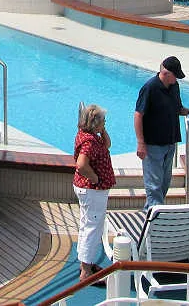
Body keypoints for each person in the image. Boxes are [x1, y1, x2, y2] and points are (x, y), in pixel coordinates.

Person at [134, 56, 189, 210]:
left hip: (170, 143)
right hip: (153, 145)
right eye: (175, 75)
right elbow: (138, 115)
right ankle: (157, 221)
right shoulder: (150, 88)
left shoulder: (174, 86)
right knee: (154, 186)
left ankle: (150, 213)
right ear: (166, 73)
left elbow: (177, 108)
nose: (177, 79)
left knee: (164, 183)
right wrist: (141, 143)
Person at [73, 104, 115, 282]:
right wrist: (96, 179)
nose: (105, 123)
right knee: (93, 227)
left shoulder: (92, 136)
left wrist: (103, 130)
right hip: (92, 190)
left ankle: (86, 262)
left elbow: (107, 145)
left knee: (87, 225)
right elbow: (81, 165)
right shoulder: (89, 142)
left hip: (90, 189)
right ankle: (86, 272)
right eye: (103, 121)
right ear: (94, 123)